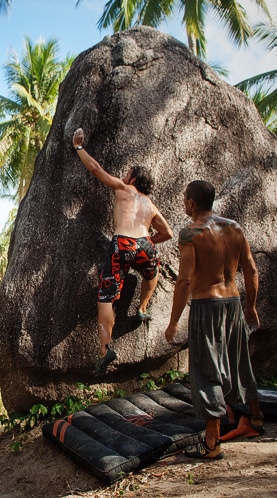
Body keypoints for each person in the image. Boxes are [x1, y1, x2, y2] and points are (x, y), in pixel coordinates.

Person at [164, 180, 264, 460]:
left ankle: (211, 443)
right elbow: (252, 270)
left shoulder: (191, 233)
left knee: (205, 369)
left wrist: (173, 323)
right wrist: (251, 306)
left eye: (185, 199)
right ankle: (256, 417)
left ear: (192, 203)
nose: (185, 203)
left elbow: (184, 281)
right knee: (239, 361)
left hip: (206, 305)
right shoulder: (235, 228)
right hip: (233, 303)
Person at [72, 128, 173, 376]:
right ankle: (141, 308)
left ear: (134, 179)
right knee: (152, 274)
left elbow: (96, 170)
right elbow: (167, 233)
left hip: (123, 243)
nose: (124, 175)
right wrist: (147, 241)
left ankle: (105, 350)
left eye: (128, 173)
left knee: (106, 297)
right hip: (145, 244)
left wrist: (79, 147)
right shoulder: (150, 205)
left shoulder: (124, 189)